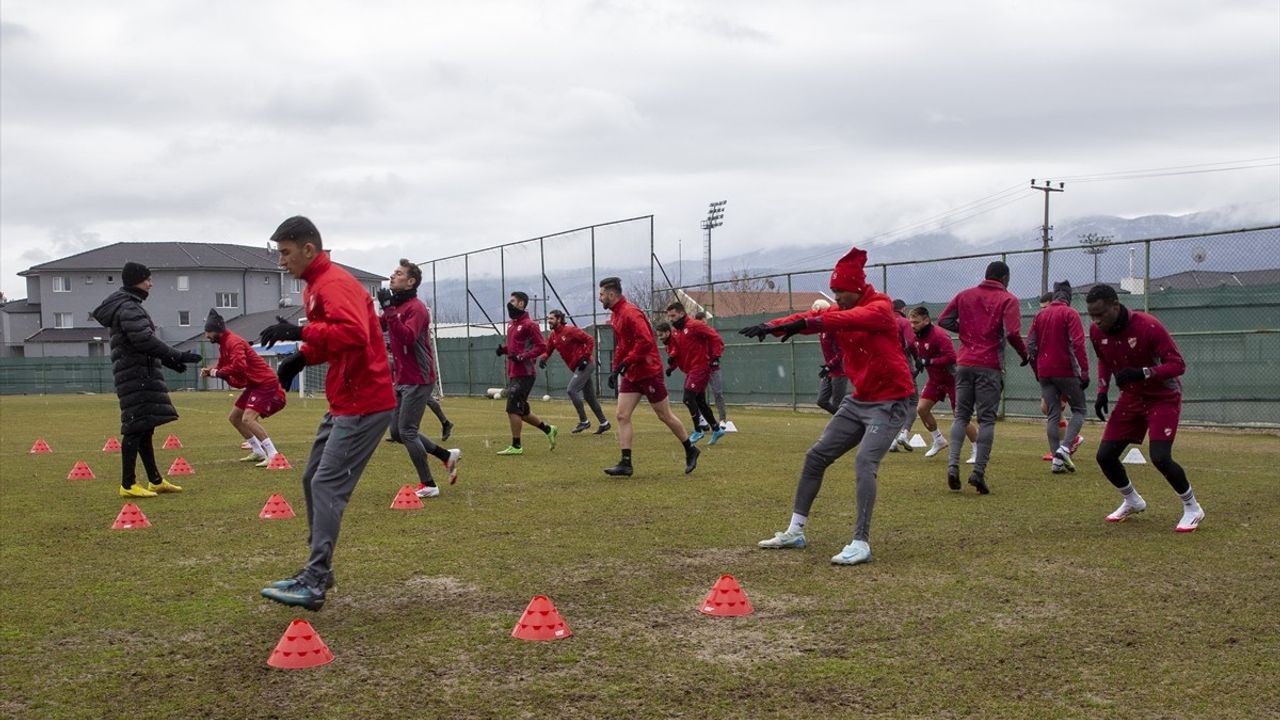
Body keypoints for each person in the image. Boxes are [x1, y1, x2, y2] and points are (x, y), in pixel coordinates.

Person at [257, 216, 397, 611]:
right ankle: (317, 570)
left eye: (285, 253)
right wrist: (300, 357)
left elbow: (353, 333)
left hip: (365, 401)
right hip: (344, 398)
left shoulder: (333, 283)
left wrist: (301, 336)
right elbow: (333, 337)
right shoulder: (315, 287)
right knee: (310, 478)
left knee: (326, 486)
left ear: (308, 249)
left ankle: (316, 579)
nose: (281, 262)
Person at [741, 247, 914, 566]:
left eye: (841, 291)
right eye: (834, 291)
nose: (838, 297)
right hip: (859, 399)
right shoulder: (841, 308)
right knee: (816, 457)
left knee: (865, 462)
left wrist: (809, 321)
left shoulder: (880, 307)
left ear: (858, 288)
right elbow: (812, 320)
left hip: (890, 401)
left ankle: (861, 542)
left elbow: (846, 318)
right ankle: (796, 531)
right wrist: (772, 325)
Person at [1087, 285, 1203, 532]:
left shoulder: (1148, 326)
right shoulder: (1097, 332)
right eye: (1092, 316)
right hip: (1131, 398)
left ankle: (1192, 507)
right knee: (1105, 457)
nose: (1096, 321)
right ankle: (1132, 500)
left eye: (1100, 314)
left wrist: (1143, 372)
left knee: (1160, 457)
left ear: (1115, 306)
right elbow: (1104, 360)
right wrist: (1101, 391)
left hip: (1163, 396)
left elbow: (1177, 365)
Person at [92, 262, 201, 498]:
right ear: (136, 281)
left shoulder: (129, 305)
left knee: (145, 428)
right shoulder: (128, 308)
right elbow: (144, 340)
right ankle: (128, 484)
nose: (151, 284)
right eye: (147, 279)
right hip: (135, 376)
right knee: (134, 429)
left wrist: (171, 362)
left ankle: (155, 480)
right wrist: (177, 354)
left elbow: (142, 342)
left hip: (140, 373)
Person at [937, 261, 1029, 494]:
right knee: (986, 420)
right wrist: (1024, 354)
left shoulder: (965, 295)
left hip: (965, 361)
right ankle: (978, 472)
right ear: (1005, 278)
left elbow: (944, 321)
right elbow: (1013, 333)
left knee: (961, 416)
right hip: (989, 365)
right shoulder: (1008, 300)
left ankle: (952, 466)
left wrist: (967, 331)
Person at [599, 277, 700, 477]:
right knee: (622, 415)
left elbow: (645, 341)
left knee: (664, 415)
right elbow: (621, 344)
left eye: (601, 294)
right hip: (632, 373)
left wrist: (626, 362)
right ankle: (626, 463)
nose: (600, 298)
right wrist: (615, 368)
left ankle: (690, 448)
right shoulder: (616, 316)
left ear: (611, 294)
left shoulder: (630, 313)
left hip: (648, 371)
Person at [377, 259, 461, 498]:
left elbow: (407, 338)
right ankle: (446, 456)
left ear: (410, 281)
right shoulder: (397, 306)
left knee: (408, 432)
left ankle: (429, 484)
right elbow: (376, 326)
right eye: (393, 272)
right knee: (397, 432)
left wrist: (389, 310)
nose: (392, 276)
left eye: (398, 273)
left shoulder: (416, 308)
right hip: (402, 378)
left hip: (419, 378)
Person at [199, 309, 285, 467]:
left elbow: (239, 365)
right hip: (255, 384)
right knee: (234, 418)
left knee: (248, 419)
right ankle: (258, 451)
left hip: (264, 382)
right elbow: (223, 365)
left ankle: (273, 455)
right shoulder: (224, 344)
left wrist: (216, 373)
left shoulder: (233, 341)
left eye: (208, 332)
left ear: (218, 330)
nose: (207, 336)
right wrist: (211, 371)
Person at [1026, 281, 1089, 475]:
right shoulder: (1070, 313)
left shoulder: (1040, 315)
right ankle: (1066, 447)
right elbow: (1078, 343)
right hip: (1066, 369)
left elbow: (1030, 345)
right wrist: (1084, 372)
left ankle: (1056, 460)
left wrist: (1037, 371)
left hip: (1045, 371)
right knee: (1079, 409)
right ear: (1068, 297)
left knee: (1052, 413)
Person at [908, 306, 977, 459]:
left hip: (953, 380)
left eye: (916, 322)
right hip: (935, 380)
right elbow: (923, 357)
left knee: (960, 417)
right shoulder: (916, 337)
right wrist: (919, 366)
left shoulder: (939, 335)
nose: (912, 325)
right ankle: (938, 440)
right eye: (911, 322)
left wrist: (929, 361)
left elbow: (952, 357)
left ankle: (977, 449)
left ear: (926, 320)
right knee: (922, 409)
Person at [495, 292, 556, 455]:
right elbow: (515, 347)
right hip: (514, 372)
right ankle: (549, 429)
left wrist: (522, 357)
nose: (510, 304)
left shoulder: (530, 325)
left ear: (521, 304)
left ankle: (516, 446)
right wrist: (503, 350)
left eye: (513, 301)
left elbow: (541, 347)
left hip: (526, 373)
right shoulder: (510, 325)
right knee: (522, 410)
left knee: (512, 408)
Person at [539, 309, 610, 434]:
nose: (548, 321)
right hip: (578, 367)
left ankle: (584, 422)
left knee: (571, 390)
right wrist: (543, 358)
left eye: (551, 318)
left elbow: (590, 339)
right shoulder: (553, 336)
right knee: (590, 397)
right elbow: (548, 349)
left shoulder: (570, 330)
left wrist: (585, 357)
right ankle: (604, 423)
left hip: (585, 365)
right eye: (548, 319)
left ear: (559, 319)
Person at [666, 302, 726, 445]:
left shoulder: (695, 325)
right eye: (669, 316)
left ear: (681, 313)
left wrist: (715, 356)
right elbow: (677, 350)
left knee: (688, 398)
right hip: (690, 370)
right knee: (700, 401)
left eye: (673, 315)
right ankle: (716, 429)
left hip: (701, 368)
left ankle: (698, 430)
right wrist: (672, 363)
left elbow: (715, 337)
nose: (671, 319)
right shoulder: (676, 331)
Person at [1035, 291, 1085, 461]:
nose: (1043, 311)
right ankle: (1066, 444)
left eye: (1045, 307)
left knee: (1052, 409)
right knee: (1048, 408)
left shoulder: (1062, 317)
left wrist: (1082, 371)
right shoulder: (1046, 319)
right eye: (1041, 308)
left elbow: (1076, 343)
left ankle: (1065, 444)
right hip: (1050, 369)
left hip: (1062, 370)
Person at [888, 299, 919, 452]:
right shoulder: (903, 322)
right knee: (912, 401)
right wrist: (918, 358)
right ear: (903, 309)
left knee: (892, 403)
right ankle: (904, 433)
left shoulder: (884, 321)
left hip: (885, 367)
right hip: (903, 366)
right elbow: (912, 342)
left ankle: (891, 440)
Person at [694, 310, 729, 429]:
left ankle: (722, 419)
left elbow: (719, 344)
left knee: (718, 393)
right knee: (698, 395)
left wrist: (715, 356)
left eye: (703, 322)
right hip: (701, 369)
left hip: (713, 368)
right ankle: (702, 420)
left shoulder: (712, 332)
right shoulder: (695, 336)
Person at [813, 299, 848, 415]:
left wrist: (830, 365)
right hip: (830, 371)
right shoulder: (822, 330)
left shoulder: (834, 328)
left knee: (838, 402)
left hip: (839, 371)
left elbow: (842, 351)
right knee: (821, 401)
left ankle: (842, 424)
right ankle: (845, 419)